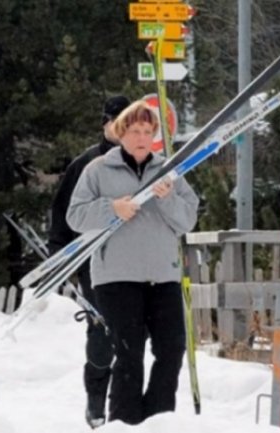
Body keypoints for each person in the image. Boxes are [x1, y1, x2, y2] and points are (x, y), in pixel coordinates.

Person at [67, 100, 199, 425]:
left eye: (147, 131)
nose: (141, 137)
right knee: (129, 355)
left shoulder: (169, 172)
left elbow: (187, 220)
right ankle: (124, 423)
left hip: (163, 276)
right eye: (134, 131)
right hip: (117, 278)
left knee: (171, 350)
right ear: (120, 133)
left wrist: (167, 198)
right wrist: (111, 209)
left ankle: (156, 421)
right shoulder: (97, 170)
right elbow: (75, 215)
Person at [47, 95, 130, 428]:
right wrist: (58, 254)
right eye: (117, 122)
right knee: (103, 334)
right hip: (93, 261)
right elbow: (62, 212)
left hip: (135, 261)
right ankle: (97, 404)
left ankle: (122, 407)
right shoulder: (85, 165)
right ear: (105, 124)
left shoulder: (145, 162)